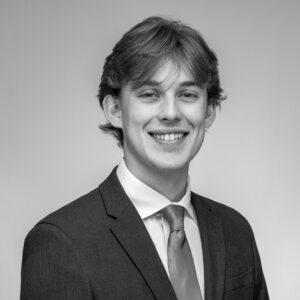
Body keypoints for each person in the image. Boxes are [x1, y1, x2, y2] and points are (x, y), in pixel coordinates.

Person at [20, 16, 269, 300]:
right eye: (150, 94)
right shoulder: (62, 242)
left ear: (209, 111)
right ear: (114, 109)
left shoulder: (235, 231)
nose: (171, 112)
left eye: (187, 94)